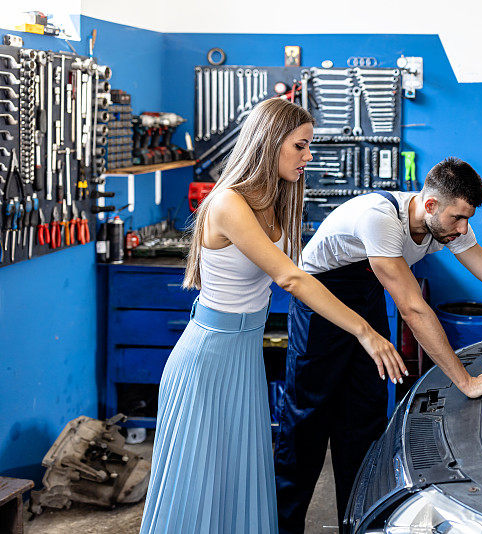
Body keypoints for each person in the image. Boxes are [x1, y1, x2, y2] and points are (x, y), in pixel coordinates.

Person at [274, 157, 482, 532]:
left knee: (362, 419)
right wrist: (465, 380)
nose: (463, 228)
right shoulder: (378, 218)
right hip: (320, 300)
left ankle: (355, 525)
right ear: (430, 205)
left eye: (468, 219)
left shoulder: (448, 224)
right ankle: (284, 526)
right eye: (457, 218)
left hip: (364, 295)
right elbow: (413, 309)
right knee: (307, 421)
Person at [139, 98, 406, 534]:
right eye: (301, 146)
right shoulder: (228, 203)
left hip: (245, 356)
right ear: (270, 142)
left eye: (310, 146)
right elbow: (291, 279)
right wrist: (366, 331)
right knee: (200, 481)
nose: (309, 156)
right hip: (208, 358)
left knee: (240, 477)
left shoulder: (280, 199)